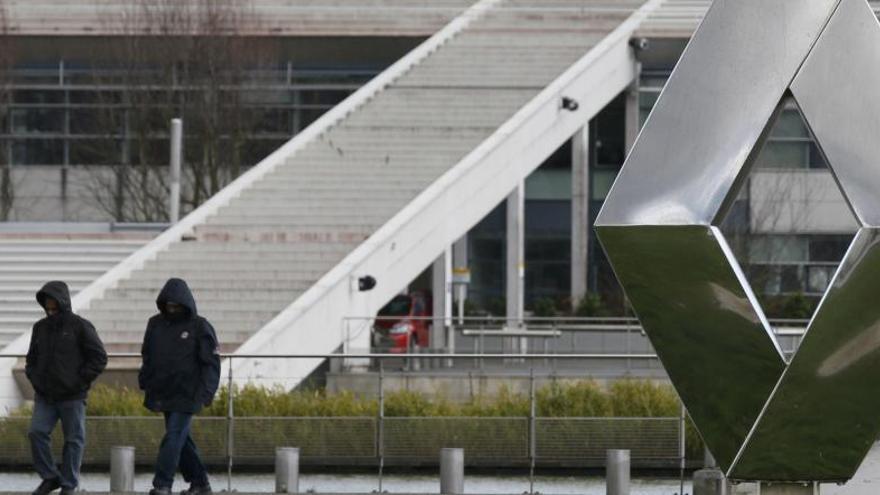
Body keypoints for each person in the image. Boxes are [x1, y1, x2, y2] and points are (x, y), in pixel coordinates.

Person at [139, 278, 220, 495]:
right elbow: (147, 355)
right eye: (168, 305)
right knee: (181, 440)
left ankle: (162, 484)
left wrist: (207, 391)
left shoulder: (200, 326)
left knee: (174, 436)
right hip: (164, 391)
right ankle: (200, 483)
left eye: (176, 305)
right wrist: (145, 379)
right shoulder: (154, 324)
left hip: (189, 393)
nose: (171, 309)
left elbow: (211, 363)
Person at [26, 280, 107, 495]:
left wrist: (80, 382)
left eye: (52, 299)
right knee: (36, 433)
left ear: (62, 300)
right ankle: (50, 477)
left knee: (74, 440)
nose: (49, 304)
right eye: (46, 300)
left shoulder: (80, 326)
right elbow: (31, 360)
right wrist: (35, 379)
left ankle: (69, 485)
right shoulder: (39, 327)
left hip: (73, 396)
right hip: (45, 396)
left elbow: (99, 358)